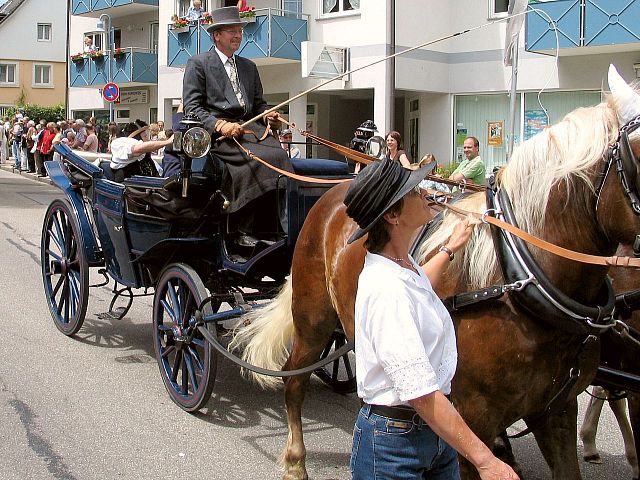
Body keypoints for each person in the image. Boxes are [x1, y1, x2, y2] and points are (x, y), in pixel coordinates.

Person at [344, 159, 520, 480]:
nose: (425, 191)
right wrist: (485, 460)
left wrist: (450, 249)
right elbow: (421, 394)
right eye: (413, 190)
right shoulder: (386, 289)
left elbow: (419, 284)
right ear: (392, 215)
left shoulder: (401, 264)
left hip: (431, 436)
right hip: (393, 447)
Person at [168, 5, 292, 248]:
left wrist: (268, 118)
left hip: (249, 131)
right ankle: (241, 230)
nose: (238, 36)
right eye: (232, 32)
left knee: (278, 155)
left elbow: (258, 106)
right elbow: (192, 107)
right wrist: (220, 125)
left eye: (240, 31)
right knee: (255, 160)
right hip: (217, 137)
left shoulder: (249, 67)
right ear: (217, 35)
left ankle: (276, 227)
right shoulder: (198, 64)